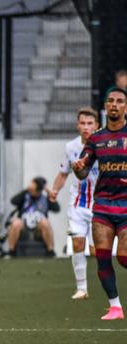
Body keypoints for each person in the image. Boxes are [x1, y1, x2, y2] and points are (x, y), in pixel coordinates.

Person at [72, 86, 127, 320]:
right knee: (102, 258)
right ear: (105, 106)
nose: (114, 104)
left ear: (125, 107)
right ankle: (115, 307)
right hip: (103, 206)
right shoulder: (96, 139)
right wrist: (79, 169)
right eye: (111, 100)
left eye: (120, 101)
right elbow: (83, 173)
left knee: (124, 258)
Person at [49, 108, 100, 300]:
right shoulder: (70, 147)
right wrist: (55, 190)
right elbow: (63, 173)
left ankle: (108, 288)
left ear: (96, 125)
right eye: (83, 123)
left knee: (98, 251)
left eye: (90, 123)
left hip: (100, 204)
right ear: (77, 125)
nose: (86, 127)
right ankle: (82, 289)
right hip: (78, 203)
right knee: (78, 243)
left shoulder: (104, 144)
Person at [6, 177, 60, 257]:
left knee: (45, 222)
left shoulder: (45, 199)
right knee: (15, 223)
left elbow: (57, 209)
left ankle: (50, 251)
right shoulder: (25, 196)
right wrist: (27, 190)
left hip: (39, 224)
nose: (32, 191)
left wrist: (49, 193)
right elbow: (13, 201)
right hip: (24, 223)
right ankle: (11, 251)